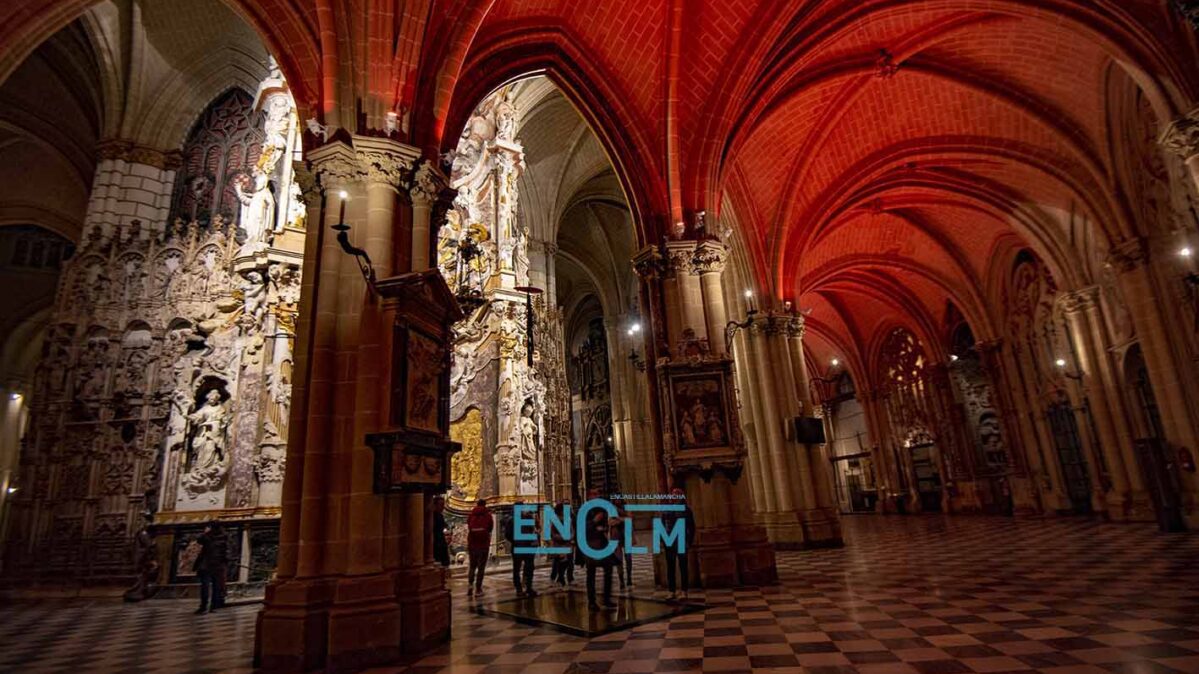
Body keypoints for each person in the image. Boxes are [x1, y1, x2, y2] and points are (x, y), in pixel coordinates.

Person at [661, 488, 696, 600]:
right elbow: (662, 525)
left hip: (681, 540)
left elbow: (691, 526)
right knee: (670, 567)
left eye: (677, 494)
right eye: (673, 494)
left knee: (683, 567)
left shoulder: (686, 510)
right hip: (669, 541)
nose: (674, 496)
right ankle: (672, 591)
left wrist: (689, 541)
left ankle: (684, 591)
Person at [584, 490, 616, 610]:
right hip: (589, 546)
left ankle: (606, 598)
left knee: (609, 568)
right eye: (594, 494)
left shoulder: (601, 510)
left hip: (602, 544)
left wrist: (604, 526)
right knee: (591, 573)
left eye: (597, 494)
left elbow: (606, 525)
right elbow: (582, 528)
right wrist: (594, 522)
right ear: (589, 496)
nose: (597, 496)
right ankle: (591, 602)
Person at [503, 501, 537, 597]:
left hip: (520, 546)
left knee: (521, 568)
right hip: (526, 546)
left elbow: (508, 534)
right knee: (526, 568)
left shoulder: (513, 520)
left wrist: (515, 541)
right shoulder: (518, 519)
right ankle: (526, 587)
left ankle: (522, 588)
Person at [194, 521, 228, 614]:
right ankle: (214, 606)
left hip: (206, 565)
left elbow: (199, 540)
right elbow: (226, 551)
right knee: (216, 586)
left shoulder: (207, 536)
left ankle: (203, 606)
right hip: (217, 565)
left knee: (205, 586)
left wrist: (206, 532)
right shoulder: (223, 537)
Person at [466, 499, 493, 598]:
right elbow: (490, 528)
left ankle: (469, 585)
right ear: (485, 505)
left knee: (472, 566)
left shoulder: (471, 515)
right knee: (481, 568)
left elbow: (469, 526)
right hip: (483, 545)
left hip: (472, 544)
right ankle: (478, 589)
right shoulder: (487, 515)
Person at [432, 495, 450, 568]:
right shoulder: (432, 516)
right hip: (435, 541)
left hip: (440, 540)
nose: (443, 507)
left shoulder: (440, 516)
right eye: (441, 505)